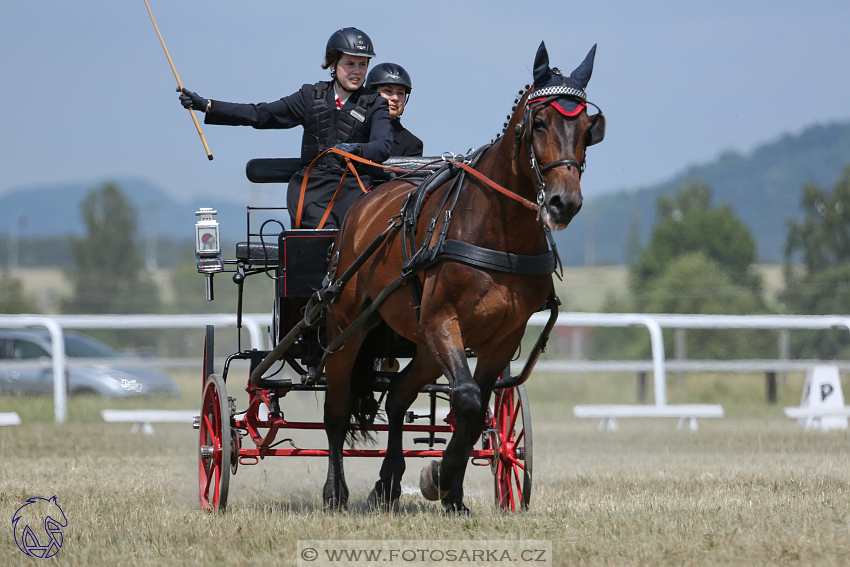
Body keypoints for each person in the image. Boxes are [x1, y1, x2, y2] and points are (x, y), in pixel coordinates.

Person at [179, 28, 393, 229]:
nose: (357, 71)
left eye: (362, 64)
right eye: (350, 64)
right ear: (333, 65)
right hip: (312, 189)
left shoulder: (375, 103)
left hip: (354, 187)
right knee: (323, 231)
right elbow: (260, 114)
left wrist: (357, 149)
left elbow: (382, 145)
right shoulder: (309, 96)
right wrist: (208, 106)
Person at [365, 63, 423, 157]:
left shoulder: (411, 144)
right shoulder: (350, 127)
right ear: (370, 93)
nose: (395, 98)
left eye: (400, 93)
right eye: (388, 91)